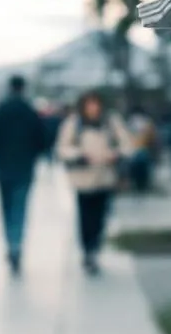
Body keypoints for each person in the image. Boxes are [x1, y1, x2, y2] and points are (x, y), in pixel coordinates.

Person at [57, 91, 133, 275]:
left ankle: (94, 248)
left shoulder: (110, 122)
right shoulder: (75, 123)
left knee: (100, 216)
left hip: (105, 176)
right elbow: (62, 148)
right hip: (82, 178)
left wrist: (116, 154)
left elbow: (127, 144)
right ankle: (87, 251)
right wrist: (80, 155)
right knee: (85, 217)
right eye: (89, 104)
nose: (93, 108)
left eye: (96, 104)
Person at [0, 75, 47, 275]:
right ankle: (16, 246)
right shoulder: (29, 111)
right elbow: (43, 138)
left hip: (3, 167)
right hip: (25, 168)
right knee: (20, 209)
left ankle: (10, 244)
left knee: (6, 208)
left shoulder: (0, 109)